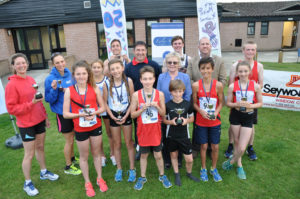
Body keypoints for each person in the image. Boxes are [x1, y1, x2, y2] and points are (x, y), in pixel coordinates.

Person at [5, 53, 59, 197]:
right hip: (26, 124)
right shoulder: (11, 85)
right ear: (13, 66)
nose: (22, 65)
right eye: (18, 64)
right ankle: (27, 182)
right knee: (29, 154)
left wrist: (45, 116)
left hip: (39, 120)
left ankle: (43, 172)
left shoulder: (30, 79)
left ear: (27, 64)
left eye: (24, 62)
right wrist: (31, 104)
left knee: (40, 147)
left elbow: (38, 99)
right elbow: (12, 109)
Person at [63, 60, 108, 197]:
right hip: (80, 128)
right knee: (84, 156)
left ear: (88, 75)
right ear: (74, 75)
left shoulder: (94, 88)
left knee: (96, 154)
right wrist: (80, 114)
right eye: (78, 74)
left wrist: (93, 113)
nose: (81, 76)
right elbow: (65, 114)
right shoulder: (69, 91)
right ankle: (87, 182)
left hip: (95, 126)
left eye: (84, 73)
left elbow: (102, 107)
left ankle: (99, 178)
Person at [131, 66, 172, 190]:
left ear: (154, 79)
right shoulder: (136, 95)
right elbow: (132, 114)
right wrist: (141, 109)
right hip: (143, 130)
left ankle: (162, 175)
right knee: (143, 155)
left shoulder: (159, 94)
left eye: (150, 78)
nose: (147, 81)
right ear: (141, 80)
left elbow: (163, 114)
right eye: (145, 79)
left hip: (155, 130)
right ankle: (142, 176)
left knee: (158, 154)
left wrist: (157, 107)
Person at [187, 37, 227, 158]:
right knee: (197, 122)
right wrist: (199, 88)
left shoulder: (219, 61)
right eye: (202, 44)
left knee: (212, 121)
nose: (205, 46)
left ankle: (210, 148)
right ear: (198, 47)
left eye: (207, 44)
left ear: (210, 46)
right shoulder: (192, 61)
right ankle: (195, 147)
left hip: (213, 97)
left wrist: (213, 90)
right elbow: (188, 78)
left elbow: (223, 79)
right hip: (197, 96)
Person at [222, 61, 262, 180]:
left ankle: (232, 160)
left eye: (245, 71)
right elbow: (228, 103)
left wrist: (251, 106)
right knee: (237, 141)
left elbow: (260, 103)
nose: (243, 73)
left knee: (242, 148)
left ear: (249, 72)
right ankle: (239, 165)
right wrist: (236, 104)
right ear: (237, 72)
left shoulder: (255, 86)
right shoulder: (232, 86)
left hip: (248, 116)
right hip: (236, 115)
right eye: (240, 71)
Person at [224, 41, 264, 160]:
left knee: (251, 124)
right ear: (243, 51)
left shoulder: (259, 66)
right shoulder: (235, 64)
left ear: (255, 51)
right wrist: (239, 94)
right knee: (233, 123)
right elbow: (231, 82)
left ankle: (250, 147)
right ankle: (231, 145)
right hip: (237, 101)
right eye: (248, 49)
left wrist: (252, 90)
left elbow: (261, 83)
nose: (250, 52)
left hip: (252, 102)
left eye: (253, 50)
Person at [44, 53, 81, 175]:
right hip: (62, 113)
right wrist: (54, 89)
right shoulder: (50, 79)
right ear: (53, 65)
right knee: (69, 140)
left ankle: (72, 158)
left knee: (73, 137)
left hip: (73, 111)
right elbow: (49, 99)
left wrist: (68, 91)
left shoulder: (69, 74)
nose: (60, 64)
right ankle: (68, 166)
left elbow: (75, 90)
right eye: (57, 62)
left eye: (62, 61)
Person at [125, 41, 162, 160]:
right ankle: (140, 147)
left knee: (154, 122)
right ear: (134, 51)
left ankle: (155, 145)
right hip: (137, 100)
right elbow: (127, 84)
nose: (140, 52)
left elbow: (158, 82)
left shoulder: (154, 65)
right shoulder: (129, 67)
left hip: (153, 100)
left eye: (143, 50)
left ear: (146, 51)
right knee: (139, 125)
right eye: (138, 50)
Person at [102, 58, 136, 182]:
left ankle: (132, 169)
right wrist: (112, 116)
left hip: (126, 113)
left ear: (122, 68)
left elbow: (133, 100)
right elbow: (105, 103)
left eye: (117, 68)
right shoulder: (106, 84)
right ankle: (119, 168)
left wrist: (127, 115)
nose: (115, 71)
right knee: (116, 143)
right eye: (112, 69)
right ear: (109, 71)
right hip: (113, 115)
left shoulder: (128, 81)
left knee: (129, 142)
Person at [157, 52, 192, 169]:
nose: (172, 64)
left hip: (181, 110)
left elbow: (188, 95)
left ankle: (179, 159)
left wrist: (183, 108)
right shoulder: (162, 77)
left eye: (175, 62)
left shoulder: (185, 77)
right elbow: (158, 93)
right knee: (167, 136)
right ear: (166, 64)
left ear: (179, 64)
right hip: (166, 110)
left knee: (181, 135)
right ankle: (167, 159)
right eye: (169, 62)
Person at [192, 57, 224, 182]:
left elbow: (221, 103)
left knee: (215, 147)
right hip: (201, 121)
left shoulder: (218, 85)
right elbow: (194, 103)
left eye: (208, 68)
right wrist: (200, 111)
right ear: (200, 69)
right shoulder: (195, 85)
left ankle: (214, 168)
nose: (205, 71)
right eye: (203, 68)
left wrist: (216, 112)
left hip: (215, 121)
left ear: (212, 69)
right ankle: (203, 168)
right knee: (204, 146)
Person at [163, 79, 199, 186]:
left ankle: (189, 173)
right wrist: (171, 122)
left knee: (189, 158)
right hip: (171, 135)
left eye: (180, 91)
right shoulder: (167, 105)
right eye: (175, 91)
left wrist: (186, 121)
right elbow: (164, 120)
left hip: (184, 136)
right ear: (171, 91)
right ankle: (176, 174)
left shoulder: (187, 104)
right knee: (173, 155)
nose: (177, 94)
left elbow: (192, 119)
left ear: (183, 91)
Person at [91, 59, 116, 167]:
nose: (96, 69)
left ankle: (113, 154)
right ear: (91, 69)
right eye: (94, 67)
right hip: (94, 111)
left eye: (98, 67)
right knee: (98, 134)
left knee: (110, 133)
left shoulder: (107, 80)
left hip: (106, 109)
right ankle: (101, 155)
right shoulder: (89, 81)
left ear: (102, 68)